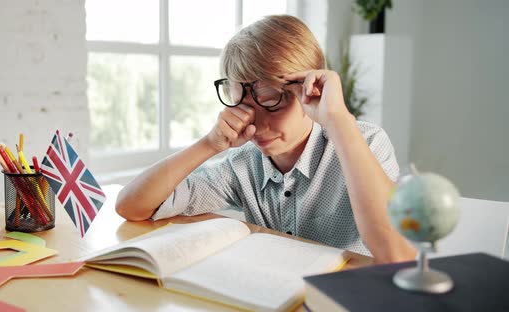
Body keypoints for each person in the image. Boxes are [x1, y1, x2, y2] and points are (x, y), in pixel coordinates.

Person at [116, 15, 415, 263]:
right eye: (241, 100)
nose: (254, 120)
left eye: (271, 99)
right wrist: (209, 144)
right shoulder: (242, 166)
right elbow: (132, 206)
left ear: (311, 93)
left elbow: (395, 253)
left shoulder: (365, 143)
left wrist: (337, 120)